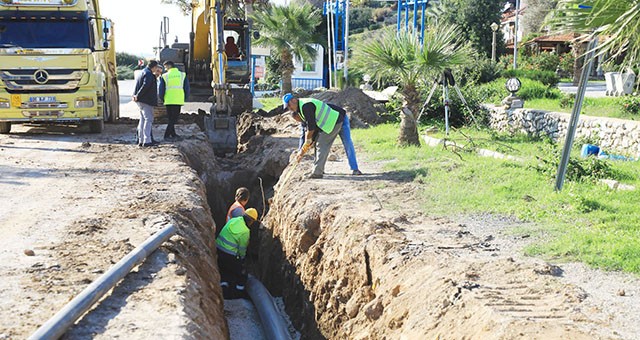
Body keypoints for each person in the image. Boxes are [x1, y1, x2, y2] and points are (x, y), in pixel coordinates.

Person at [284, 93, 363, 178]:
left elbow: (311, 128)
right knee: (318, 142)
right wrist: (301, 152)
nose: (290, 109)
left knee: (326, 144)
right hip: (331, 122)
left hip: (337, 120)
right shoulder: (302, 114)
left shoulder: (306, 106)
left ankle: (319, 172)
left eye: (289, 106)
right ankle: (318, 169)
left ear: (294, 100)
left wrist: (307, 142)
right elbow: (308, 135)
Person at [216, 208, 258, 299]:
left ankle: (224, 291)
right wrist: (242, 261)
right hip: (229, 255)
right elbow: (242, 250)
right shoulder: (245, 231)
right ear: (251, 221)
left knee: (225, 272)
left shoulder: (234, 220)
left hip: (218, 250)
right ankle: (238, 294)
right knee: (241, 274)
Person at [159, 61, 190, 141]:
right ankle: (167, 135)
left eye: (165, 67)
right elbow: (187, 88)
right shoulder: (182, 75)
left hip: (168, 100)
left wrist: (162, 98)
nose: (165, 69)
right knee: (174, 118)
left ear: (169, 66)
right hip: (178, 99)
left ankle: (172, 134)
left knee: (171, 118)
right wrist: (184, 97)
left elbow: (161, 90)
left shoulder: (165, 76)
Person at [133, 60, 162, 147]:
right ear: (154, 67)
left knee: (142, 120)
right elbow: (145, 86)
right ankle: (147, 140)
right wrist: (138, 95)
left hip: (141, 101)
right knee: (148, 120)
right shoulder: (148, 74)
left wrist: (135, 95)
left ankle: (141, 140)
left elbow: (140, 85)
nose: (157, 69)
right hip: (146, 100)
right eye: (156, 67)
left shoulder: (142, 72)